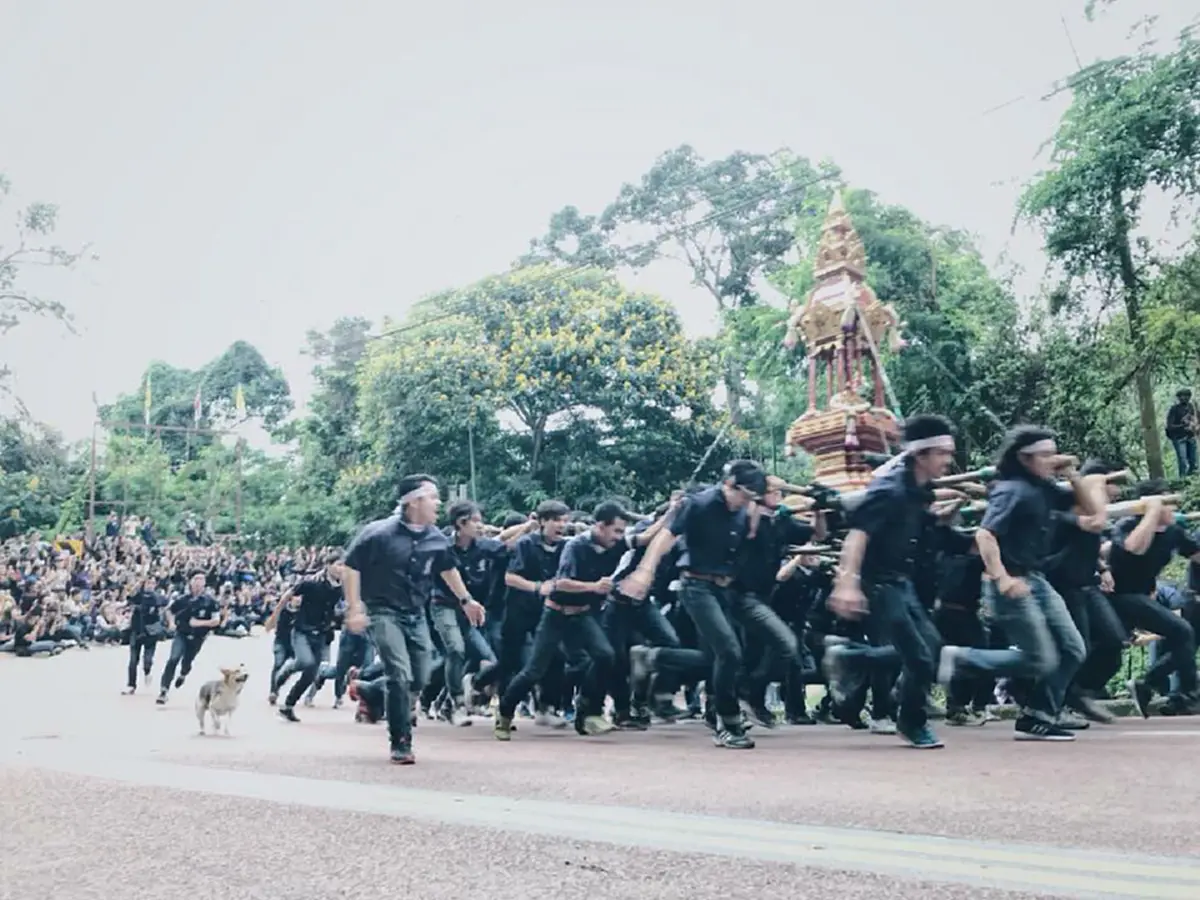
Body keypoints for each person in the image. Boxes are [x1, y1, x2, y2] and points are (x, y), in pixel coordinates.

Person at [938, 426, 1095, 741]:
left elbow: (1089, 510)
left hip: (1036, 579)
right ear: (1024, 458)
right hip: (1008, 580)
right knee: (1041, 658)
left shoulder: (1045, 488)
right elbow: (985, 534)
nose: (1052, 460)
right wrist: (1002, 578)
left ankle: (1037, 716)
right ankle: (960, 660)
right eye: (1045, 455)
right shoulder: (1012, 490)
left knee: (1073, 649)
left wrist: (1073, 475)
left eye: (1053, 453)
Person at [825, 414, 958, 749]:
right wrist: (847, 585)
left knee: (931, 647)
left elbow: (925, 530)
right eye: (942, 453)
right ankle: (911, 722)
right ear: (921, 454)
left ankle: (850, 658)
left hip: (902, 582)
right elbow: (857, 536)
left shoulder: (919, 491)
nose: (948, 460)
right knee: (919, 657)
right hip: (879, 584)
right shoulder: (889, 490)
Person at [620, 460, 767, 750]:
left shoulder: (744, 511)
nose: (746, 502)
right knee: (729, 651)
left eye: (753, 498)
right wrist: (645, 572)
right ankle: (729, 722)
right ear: (729, 485)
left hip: (724, 590)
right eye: (745, 495)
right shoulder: (698, 504)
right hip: (696, 587)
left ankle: (653, 658)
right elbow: (665, 537)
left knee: (716, 658)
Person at [341, 474, 485, 765]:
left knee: (420, 675)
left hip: (416, 613)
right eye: (433, 497)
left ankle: (372, 694)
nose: (438, 503)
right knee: (399, 673)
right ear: (414, 501)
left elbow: (447, 569)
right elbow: (351, 567)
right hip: (382, 611)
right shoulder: (378, 534)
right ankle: (401, 741)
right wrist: (355, 608)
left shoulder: (436, 538)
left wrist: (466, 600)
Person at [493, 500, 629, 740]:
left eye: (565, 520)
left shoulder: (571, 545)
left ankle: (588, 712)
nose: (561, 525)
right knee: (534, 669)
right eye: (556, 520)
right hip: (546, 613)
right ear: (542, 522)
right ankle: (504, 713)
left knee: (604, 655)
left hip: (581, 614)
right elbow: (549, 582)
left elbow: (641, 539)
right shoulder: (531, 544)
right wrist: (539, 587)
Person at [156, 570, 222, 704]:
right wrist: (171, 623)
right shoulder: (182, 599)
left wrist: (200, 623)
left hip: (198, 637)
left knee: (187, 661)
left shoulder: (210, 601)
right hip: (182, 633)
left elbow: (216, 620)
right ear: (190, 582)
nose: (198, 582)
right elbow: (169, 610)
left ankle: (183, 674)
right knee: (173, 658)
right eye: (196, 579)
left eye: (201, 579)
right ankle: (164, 690)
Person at [1165, 389, 1199, 477]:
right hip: (1179, 438)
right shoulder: (1174, 409)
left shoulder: (1192, 407)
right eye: (1181, 396)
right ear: (1179, 398)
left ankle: (1191, 480)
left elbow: (1197, 420)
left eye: (1186, 396)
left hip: (1191, 437)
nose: (1184, 398)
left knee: (1193, 462)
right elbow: (1170, 426)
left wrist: (1194, 426)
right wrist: (1183, 425)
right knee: (1183, 462)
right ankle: (1183, 480)